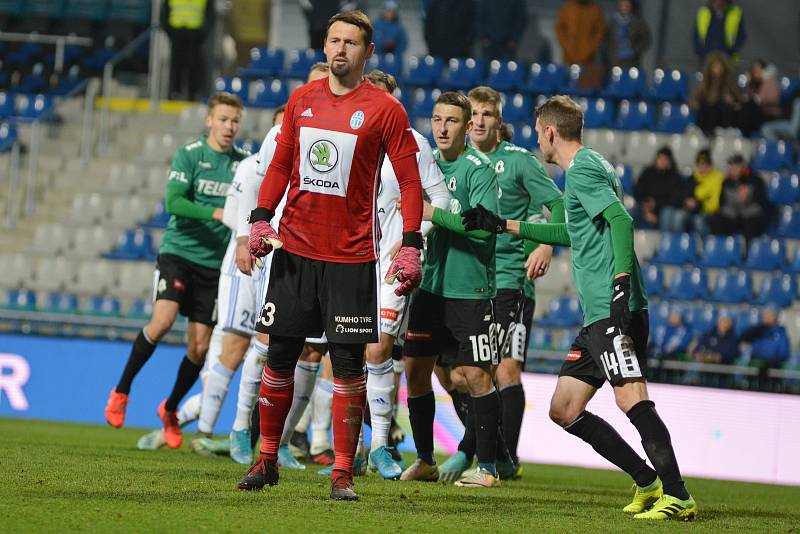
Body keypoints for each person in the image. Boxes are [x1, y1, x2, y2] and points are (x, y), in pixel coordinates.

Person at [463, 95, 698, 520]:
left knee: (631, 399)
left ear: (551, 132)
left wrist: (621, 282)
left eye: (538, 133)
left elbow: (622, 222)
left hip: (612, 308)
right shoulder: (592, 168)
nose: (537, 140)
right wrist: (505, 225)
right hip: (596, 315)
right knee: (565, 409)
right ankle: (646, 481)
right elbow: (572, 232)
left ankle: (678, 494)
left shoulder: (584, 170)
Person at [238, 11, 424, 502]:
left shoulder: (385, 110)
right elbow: (280, 165)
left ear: (367, 52)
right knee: (279, 356)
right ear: (324, 46)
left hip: (350, 259)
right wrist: (260, 217)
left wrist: (411, 243)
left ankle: (342, 472)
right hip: (295, 252)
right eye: (334, 40)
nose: (340, 49)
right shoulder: (301, 100)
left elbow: (409, 182)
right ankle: (266, 458)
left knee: (347, 364)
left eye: (351, 42)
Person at [104, 93, 249, 449]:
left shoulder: (243, 164)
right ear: (209, 121)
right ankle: (121, 391)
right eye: (223, 119)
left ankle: (170, 410)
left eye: (234, 121)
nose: (229, 127)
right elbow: (173, 202)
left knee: (199, 348)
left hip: (215, 266)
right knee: (163, 320)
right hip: (179, 254)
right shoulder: (191, 155)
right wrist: (216, 213)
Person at [436, 86, 563, 482]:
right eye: (472, 113)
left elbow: (557, 207)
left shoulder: (520, 162)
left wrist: (544, 244)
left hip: (510, 279)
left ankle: (481, 456)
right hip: (464, 278)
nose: (478, 120)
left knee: (503, 370)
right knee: (450, 374)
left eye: (487, 114)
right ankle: (499, 452)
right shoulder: (455, 161)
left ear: (499, 121)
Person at [400, 91, 501, 489]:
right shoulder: (424, 166)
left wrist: (434, 213)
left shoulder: (479, 170)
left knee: (476, 376)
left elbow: (482, 226)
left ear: (465, 126)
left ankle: (489, 468)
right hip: (429, 286)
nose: (442, 128)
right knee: (416, 370)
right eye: (437, 120)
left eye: (452, 121)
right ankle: (425, 459)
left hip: (470, 288)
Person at [357, 69, 451, 479]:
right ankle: (352, 449)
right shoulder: (346, 137)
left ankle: (380, 444)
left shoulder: (412, 143)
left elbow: (442, 198)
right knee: (348, 356)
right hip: (349, 259)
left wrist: (414, 237)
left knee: (378, 349)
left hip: (392, 263)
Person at [708, 154, 770, 241]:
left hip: (749, 216)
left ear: (743, 167)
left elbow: (761, 203)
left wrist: (745, 210)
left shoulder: (756, 181)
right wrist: (731, 211)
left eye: (736, 167)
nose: (733, 170)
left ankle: (748, 252)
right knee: (715, 219)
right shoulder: (726, 182)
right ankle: (722, 248)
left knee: (752, 223)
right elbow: (722, 203)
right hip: (732, 216)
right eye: (731, 167)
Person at [163, 0, 215, 101]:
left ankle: (193, 93)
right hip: (177, 33)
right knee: (176, 64)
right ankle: (174, 92)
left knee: (195, 65)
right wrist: (169, 31)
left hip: (195, 35)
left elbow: (210, 14)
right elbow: (165, 11)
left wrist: (203, 33)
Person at [688, 51, 745, 137]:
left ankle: (721, 131)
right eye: (715, 66)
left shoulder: (729, 83)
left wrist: (732, 102)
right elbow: (692, 100)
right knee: (706, 105)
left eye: (719, 66)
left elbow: (740, 102)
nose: (717, 69)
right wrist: (697, 105)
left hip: (723, 120)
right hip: (708, 117)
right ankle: (702, 131)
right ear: (710, 68)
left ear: (724, 68)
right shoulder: (705, 84)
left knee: (721, 105)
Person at [633, 147, 688, 232]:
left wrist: (656, 203)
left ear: (670, 161)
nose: (662, 161)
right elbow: (637, 191)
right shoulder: (648, 172)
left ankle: (665, 243)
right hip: (645, 207)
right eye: (660, 158)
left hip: (664, 210)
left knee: (667, 213)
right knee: (629, 213)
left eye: (665, 159)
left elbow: (677, 198)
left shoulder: (675, 177)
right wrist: (645, 208)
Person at [683, 148, 724, 235]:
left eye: (704, 165)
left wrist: (698, 202)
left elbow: (714, 202)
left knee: (698, 220)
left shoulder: (718, 178)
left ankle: (709, 245)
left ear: (710, 166)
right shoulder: (693, 178)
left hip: (712, 212)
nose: (701, 168)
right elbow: (687, 196)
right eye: (699, 165)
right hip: (695, 210)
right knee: (680, 217)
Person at [555, 0, 605, 65]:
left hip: (589, 59)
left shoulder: (595, 10)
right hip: (569, 58)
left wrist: (590, 48)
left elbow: (600, 32)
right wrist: (567, 46)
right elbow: (559, 29)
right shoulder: (567, 8)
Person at [604, 0, 650, 69]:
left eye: (627, 5)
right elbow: (605, 37)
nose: (625, 7)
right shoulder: (612, 21)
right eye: (622, 5)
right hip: (613, 60)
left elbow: (646, 39)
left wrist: (635, 50)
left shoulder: (638, 23)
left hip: (631, 61)